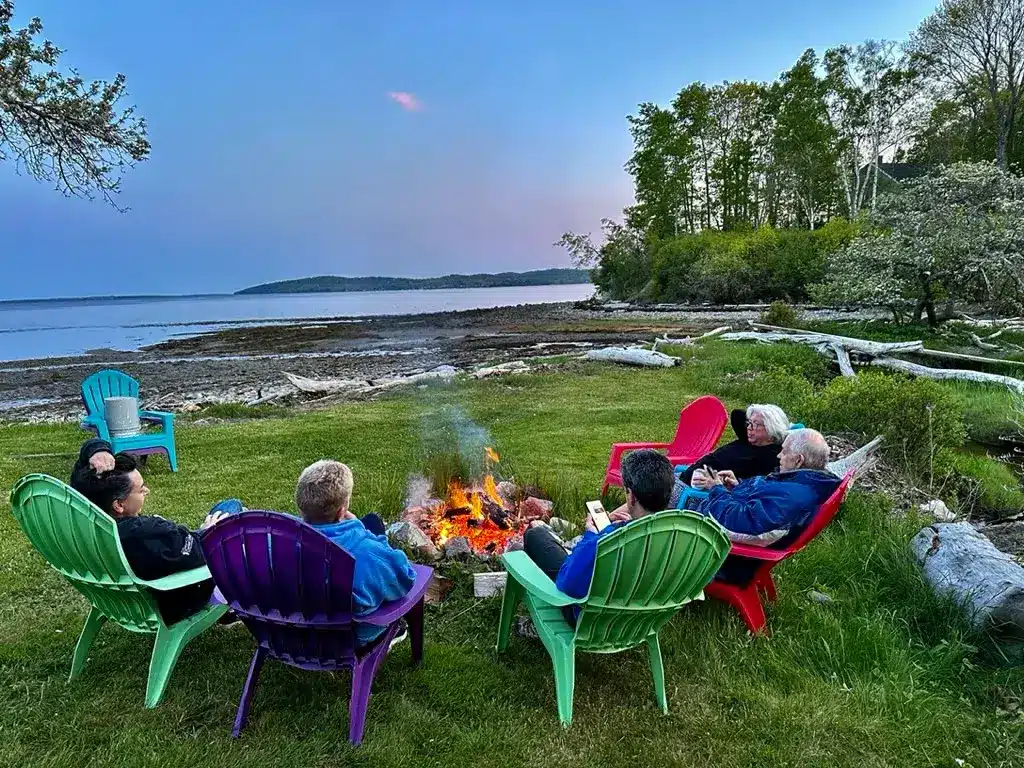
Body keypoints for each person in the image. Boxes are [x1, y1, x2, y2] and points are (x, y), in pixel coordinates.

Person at [522, 449, 676, 625]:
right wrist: (620, 525)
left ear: (632, 497)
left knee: (536, 535)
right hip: (641, 621)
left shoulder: (608, 541)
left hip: (592, 620)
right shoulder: (680, 536)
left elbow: (567, 585)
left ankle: (537, 623)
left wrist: (591, 535)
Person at [71, 453, 228, 625]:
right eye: (141, 489)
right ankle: (232, 607)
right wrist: (210, 530)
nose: (147, 490)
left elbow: (81, 469)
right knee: (231, 510)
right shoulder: (147, 533)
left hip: (127, 597)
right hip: (179, 595)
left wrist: (98, 450)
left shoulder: (89, 524)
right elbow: (203, 551)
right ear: (119, 505)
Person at [294, 460, 417, 649]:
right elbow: (404, 578)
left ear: (300, 506)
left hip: (292, 631)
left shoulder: (275, 540)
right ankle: (393, 633)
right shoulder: (365, 551)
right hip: (345, 638)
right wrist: (363, 531)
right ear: (341, 511)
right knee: (373, 524)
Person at [696, 428, 840, 538]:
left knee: (683, 488)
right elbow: (760, 502)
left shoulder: (792, 496)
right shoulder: (798, 483)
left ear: (798, 460)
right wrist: (738, 486)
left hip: (700, 531)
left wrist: (717, 489)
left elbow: (740, 524)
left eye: (784, 451)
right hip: (711, 511)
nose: (779, 455)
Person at [672, 405, 791, 507]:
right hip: (683, 477)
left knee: (659, 483)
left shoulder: (770, 457)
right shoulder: (748, 441)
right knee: (659, 468)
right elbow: (737, 414)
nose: (749, 428)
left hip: (695, 495)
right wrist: (757, 416)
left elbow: (748, 490)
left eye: (756, 425)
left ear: (771, 430)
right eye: (749, 423)